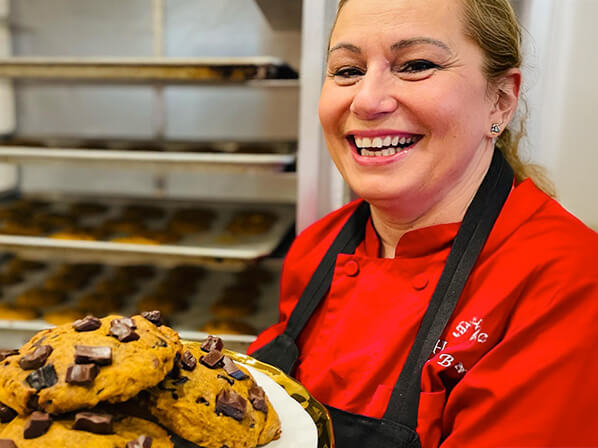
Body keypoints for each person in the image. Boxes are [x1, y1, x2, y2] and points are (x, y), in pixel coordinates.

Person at [248, 0, 598, 446]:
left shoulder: (567, 282)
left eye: (415, 64)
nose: (368, 100)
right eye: (347, 70)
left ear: (501, 100)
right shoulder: (318, 245)